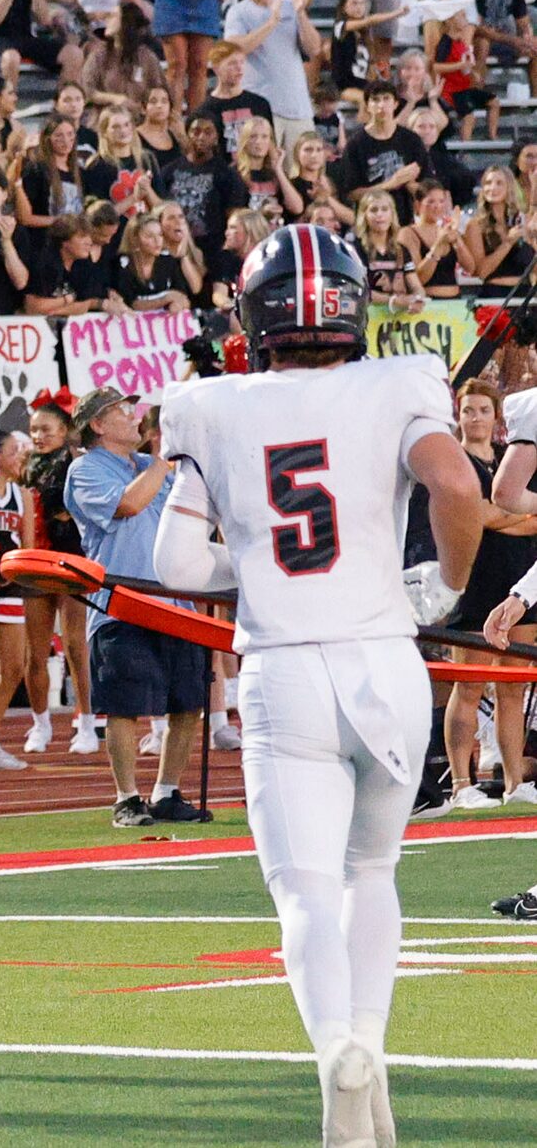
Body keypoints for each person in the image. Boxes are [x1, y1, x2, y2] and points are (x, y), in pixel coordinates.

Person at [156, 227, 537, 1143]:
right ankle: (369, 1041)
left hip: (286, 668)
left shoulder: (212, 403)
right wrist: (444, 582)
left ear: (257, 315)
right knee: (373, 871)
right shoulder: (397, 383)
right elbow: (454, 486)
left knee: (305, 889)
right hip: (385, 660)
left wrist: (256, 564)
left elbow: (172, 560)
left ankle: (335, 1046)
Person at [64, 385, 213, 826]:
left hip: (174, 597)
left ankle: (166, 791)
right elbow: (127, 504)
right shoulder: (86, 469)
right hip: (122, 602)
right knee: (125, 704)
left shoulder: (151, 464)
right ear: (97, 424)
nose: (134, 416)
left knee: (187, 701)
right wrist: (164, 460)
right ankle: (126, 797)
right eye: (122, 411)